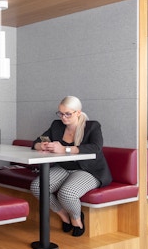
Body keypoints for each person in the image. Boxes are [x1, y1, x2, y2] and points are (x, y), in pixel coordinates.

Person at [30, 96, 112, 237]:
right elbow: (36, 142)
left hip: (89, 170)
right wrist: (41, 145)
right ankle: (63, 215)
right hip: (64, 168)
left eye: (68, 114)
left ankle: (76, 218)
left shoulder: (92, 126)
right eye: (61, 113)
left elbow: (95, 147)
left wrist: (65, 150)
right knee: (37, 187)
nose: (63, 117)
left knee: (67, 193)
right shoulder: (57, 125)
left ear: (78, 112)